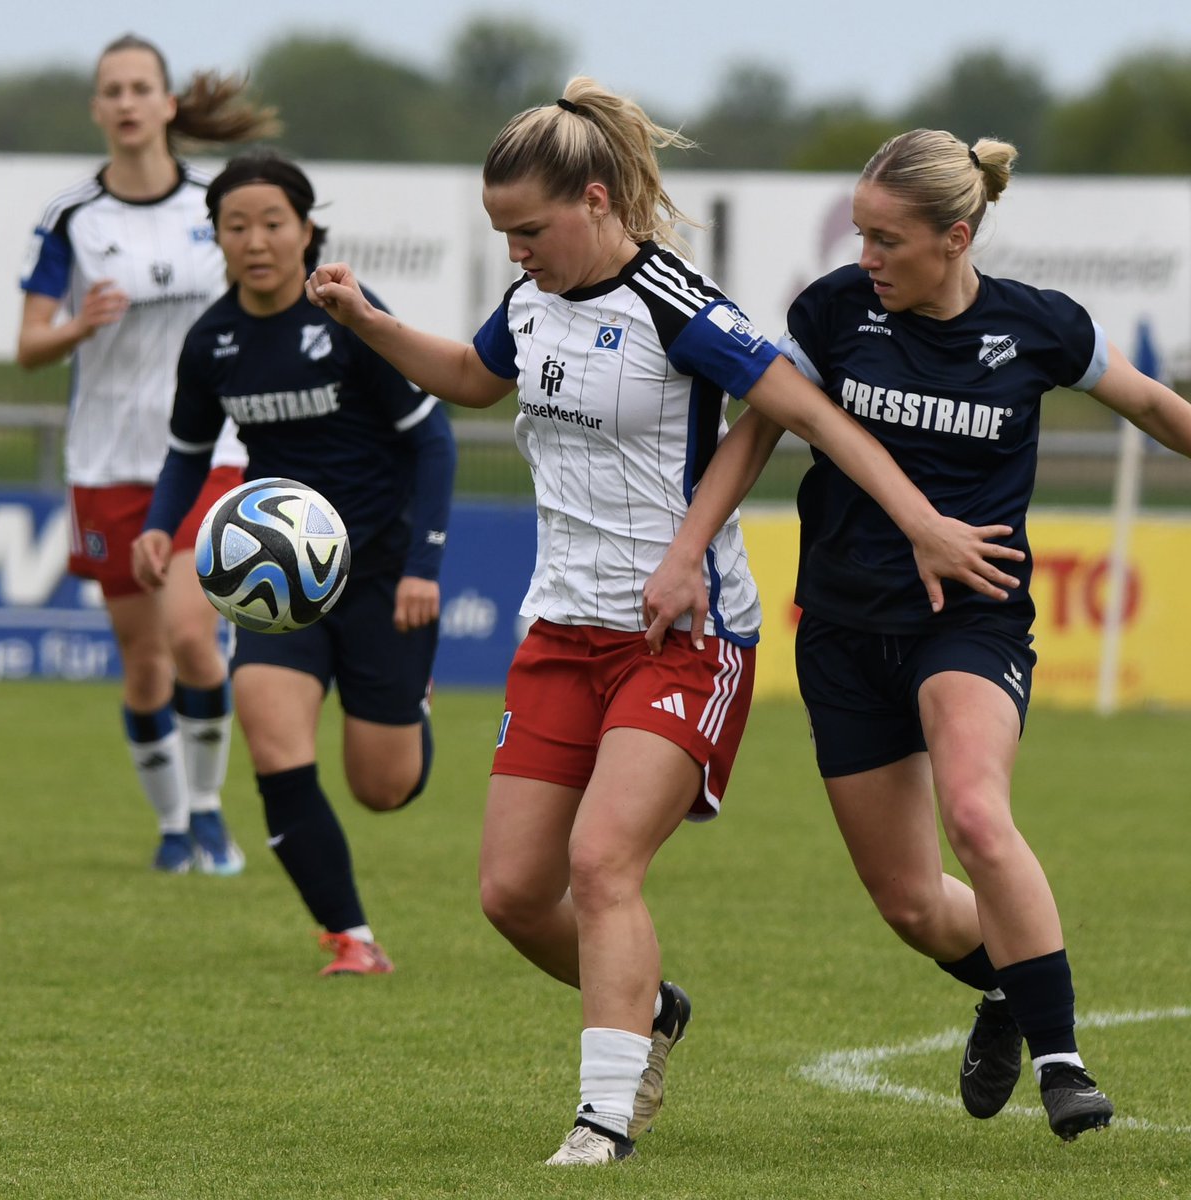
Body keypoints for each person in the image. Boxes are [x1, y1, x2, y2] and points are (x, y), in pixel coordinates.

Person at [304, 81, 1021, 1164]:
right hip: (560, 631)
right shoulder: (536, 302)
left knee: (602, 863)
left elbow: (807, 414)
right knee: (510, 895)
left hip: (684, 638)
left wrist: (916, 520)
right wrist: (367, 320)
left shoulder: (677, 302)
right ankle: (649, 1011)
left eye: (530, 231)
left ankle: (603, 1119)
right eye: (501, 234)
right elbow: (471, 378)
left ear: (596, 201)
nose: (516, 254)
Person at [644, 128, 1191, 1142]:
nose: (866, 259)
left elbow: (1157, 406)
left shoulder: (1040, 327)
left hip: (972, 620)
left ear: (956, 235)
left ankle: (1064, 1066)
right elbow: (753, 434)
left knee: (978, 818)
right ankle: (1003, 991)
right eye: (859, 235)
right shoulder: (835, 314)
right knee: (908, 903)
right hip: (846, 631)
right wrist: (686, 552)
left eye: (887, 240)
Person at [132, 151, 456, 977]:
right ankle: (351, 937)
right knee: (272, 741)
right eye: (235, 226)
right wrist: (160, 528)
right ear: (217, 238)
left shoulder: (349, 316)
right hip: (280, 580)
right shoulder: (211, 342)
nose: (257, 240)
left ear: (308, 230)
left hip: (384, 569)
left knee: (383, 787)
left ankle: (409, 702)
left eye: (274, 222)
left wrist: (424, 562)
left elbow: (433, 438)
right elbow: (184, 451)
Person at [17, 34, 281, 874]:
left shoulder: (218, 205)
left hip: (211, 454)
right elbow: (27, 346)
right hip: (106, 464)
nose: (127, 103)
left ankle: (209, 813)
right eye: (112, 90)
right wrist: (76, 325)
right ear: (98, 109)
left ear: (168, 105)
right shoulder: (71, 220)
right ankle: (173, 828)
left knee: (191, 635)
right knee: (141, 661)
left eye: (141, 88)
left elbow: (266, 294)